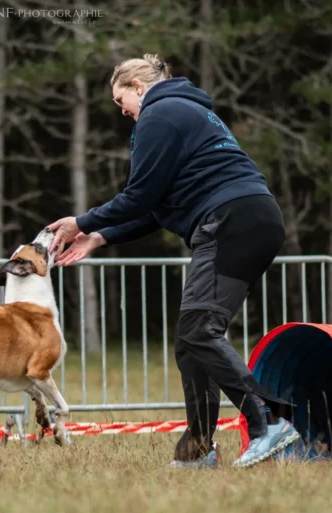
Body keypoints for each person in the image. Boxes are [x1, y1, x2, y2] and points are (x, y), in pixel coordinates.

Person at [46, 53, 301, 468]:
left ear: (138, 87)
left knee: (199, 329)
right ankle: (199, 450)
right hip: (253, 217)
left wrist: (81, 221)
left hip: (229, 219)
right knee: (191, 339)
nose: (122, 111)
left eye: (120, 100)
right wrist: (100, 236)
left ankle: (268, 422)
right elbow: (157, 207)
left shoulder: (160, 113)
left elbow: (138, 195)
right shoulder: (185, 111)